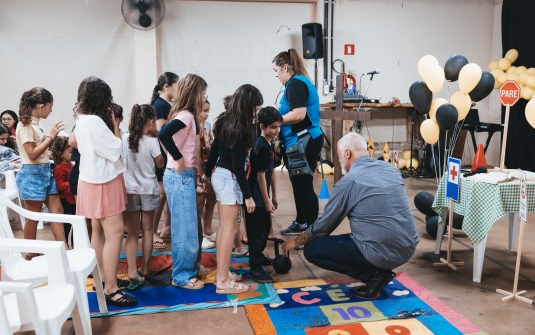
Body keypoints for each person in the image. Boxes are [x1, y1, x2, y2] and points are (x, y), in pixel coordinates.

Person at [282, 133, 419, 298]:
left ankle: (373, 276)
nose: (339, 161)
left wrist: (296, 241)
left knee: (312, 250)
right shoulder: (391, 169)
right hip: (408, 247)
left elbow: (324, 227)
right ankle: (378, 270)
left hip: (379, 252)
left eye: (339, 156)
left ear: (347, 153)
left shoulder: (349, 182)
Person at [70, 76, 137, 307]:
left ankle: (101, 278)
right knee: (115, 234)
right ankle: (111, 288)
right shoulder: (96, 122)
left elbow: (76, 143)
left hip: (90, 181)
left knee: (97, 232)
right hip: (103, 182)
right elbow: (116, 149)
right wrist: (115, 125)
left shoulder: (81, 119)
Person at [204, 84, 264, 294]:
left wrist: (206, 173)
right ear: (247, 104)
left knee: (223, 229)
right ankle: (222, 281)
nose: (255, 113)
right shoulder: (238, 127)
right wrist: (248, 196)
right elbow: (238, 166)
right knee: (229, 229)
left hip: (220, 175)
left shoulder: (224, 119)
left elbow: (214, 152)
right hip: (229, 177)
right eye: (254, 108)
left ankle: (223, 273)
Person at [158, 74, 207, 290]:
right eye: (202, 94)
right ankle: (182, 276)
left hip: (184, 176)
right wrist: (178, 158)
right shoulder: (186, 116)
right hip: (179, 176)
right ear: (194, 94)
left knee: (192, 227)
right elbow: (164, 134)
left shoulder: (186, 115)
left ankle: (191, 266)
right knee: (185, 229)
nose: (204, 98)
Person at [272, 48, 324, 235]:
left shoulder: (295, 84)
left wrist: (275, 120)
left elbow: (299, 114)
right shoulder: (295, 83)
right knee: (298, 184)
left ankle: (312, 233)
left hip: (305, 139)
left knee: (304, 186)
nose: (276, 75)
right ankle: (302, 222)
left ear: (285, 68)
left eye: (276, 70)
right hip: (299, 140)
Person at [15, 87, 66, 256]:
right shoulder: (25, 124)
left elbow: (41, 151)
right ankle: (30, 251)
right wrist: (51, 136)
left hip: (45, 171)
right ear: (41, 105)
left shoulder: (36, 123)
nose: (51, 110)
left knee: (57, 211)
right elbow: (32, 153)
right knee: (34, 216)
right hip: (32, 174)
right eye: (50, 107)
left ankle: (64, 247)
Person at [122, 104, 164, 288]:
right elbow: (160, 163)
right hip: (148, 189)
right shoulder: (152, 141)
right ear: (150, 121)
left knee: (132, 233)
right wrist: (157, 140)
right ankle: (145, 269)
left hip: (129, 189)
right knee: (147, 230)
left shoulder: (125, 138)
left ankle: (132, 270)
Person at [245, 106, 281, 283]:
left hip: (264, 196)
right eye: (273, 127)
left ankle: (259, 256)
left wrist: (274, 195)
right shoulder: (260, 146)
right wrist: (266, 201)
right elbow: (259, 176)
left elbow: (271, 172)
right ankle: (256, 266)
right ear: (262, 127)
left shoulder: (269, 145)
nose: (276, 130)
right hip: (256, 196)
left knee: (265, 229)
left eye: (278, 126)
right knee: (257, 232)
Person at [151, 72, 179, 248]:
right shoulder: (160, 106)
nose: (178, 89)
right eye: (177, 85)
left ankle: (166, 227)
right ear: (166, 86)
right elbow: (161, 134)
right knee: (161, 195)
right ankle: (152, 231)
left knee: (166, 194)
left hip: (167, 155)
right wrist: (171, 156)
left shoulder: (167, 104)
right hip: (163, 155)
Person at [196, 99, 217, 250]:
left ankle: (207, 230)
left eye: (208, 110)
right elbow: (196, 154)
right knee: (199, 203)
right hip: (199, 169)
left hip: (209, 167)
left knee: (212, 198)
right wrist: (202, 175)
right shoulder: (194, 127)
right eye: (204, 110)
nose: (207, 114)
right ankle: (199, 236)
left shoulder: (208, 125)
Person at [50, 136, 75, 247]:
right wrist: (74, 185)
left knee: (75, 224)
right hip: (66, 201)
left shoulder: (71, 165)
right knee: (66, 225)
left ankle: (75, 244)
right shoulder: (59, 168)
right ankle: (65, 245)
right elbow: (59, 185)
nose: (73, 154)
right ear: (60, 153)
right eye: (70, 152)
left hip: (73, 200)